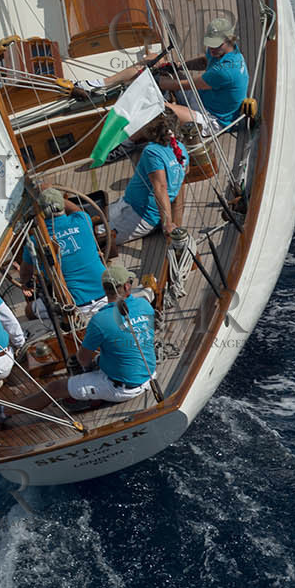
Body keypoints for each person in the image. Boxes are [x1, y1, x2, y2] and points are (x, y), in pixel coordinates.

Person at [67, 262, 156, 405]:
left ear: (104, 289)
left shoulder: (99, 320)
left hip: (121, 389)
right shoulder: (144, 304)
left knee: (55, 388)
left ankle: (18, 413)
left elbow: (83, 359)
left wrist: (88, 366)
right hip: (150, 375)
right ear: (127, 286)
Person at [21, 187, 106, 322]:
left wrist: (25, 284)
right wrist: (52, 192)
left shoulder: (35, 240)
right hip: (107, 292)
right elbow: (76, 209)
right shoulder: (82, 220)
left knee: (29, 310)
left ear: (40, 211)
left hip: (74, 307)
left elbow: (26, 273)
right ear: (62, 204)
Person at [154, 17, 249, 134]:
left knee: (158, 107)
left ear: (230, 40)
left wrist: (159, 82)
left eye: (216, 45)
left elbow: (190, 85)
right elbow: (204, 62)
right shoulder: (225, 51)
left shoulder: (226, 71)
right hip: (202, 97)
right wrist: (178, 66)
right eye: (210, 44)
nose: (211, 49)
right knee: (157, 62)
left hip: (213, 119)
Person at [108, 111, 188, 243]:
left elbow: (161, 188)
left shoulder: (152, 152)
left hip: (138, 215)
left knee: (93, 237)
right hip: (130, 206)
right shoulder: (180, 148)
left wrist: (167, 224)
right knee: (91, 217)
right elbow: (184, 172)